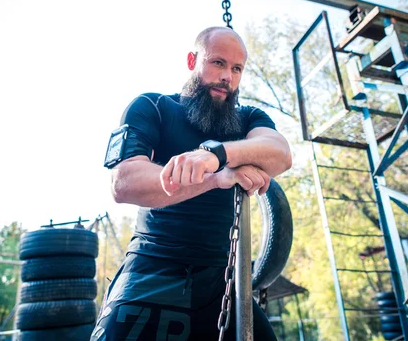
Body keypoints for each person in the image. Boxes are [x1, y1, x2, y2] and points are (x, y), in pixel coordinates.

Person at [93, 26, 292, 341]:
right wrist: (218, 178)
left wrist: (216, 155)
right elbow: (123, 182)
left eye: (236, 68)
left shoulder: (249, 119)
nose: (227, 75)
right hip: (154, 265)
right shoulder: (152, 107)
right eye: (218, 63)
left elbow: (280, 153)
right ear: (192, 60)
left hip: (224, 278)